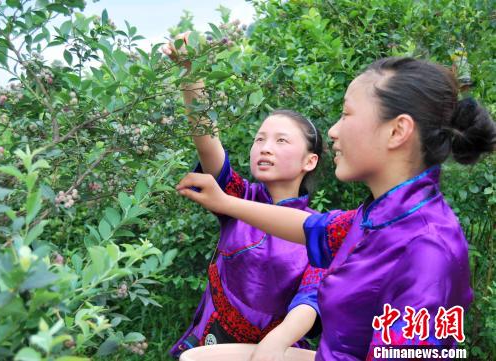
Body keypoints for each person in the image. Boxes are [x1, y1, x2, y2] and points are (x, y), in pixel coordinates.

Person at [176, 57, 496, 360]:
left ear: (397, 131)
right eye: (260, 139)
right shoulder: (374, 219)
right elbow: (309, 228)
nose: (333, 131)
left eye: (346, 114)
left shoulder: (427, 250)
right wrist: (226, 202)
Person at [162, 33, 329, 357]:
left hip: (278, 352)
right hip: (213, 344)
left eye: (281, 141)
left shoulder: (320, 229)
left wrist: (273, 345)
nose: (265, 147)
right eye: (259, 139)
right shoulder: (238, 199)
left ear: (310, 161)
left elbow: (310, 298)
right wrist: (190, 75)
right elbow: (208, 142)